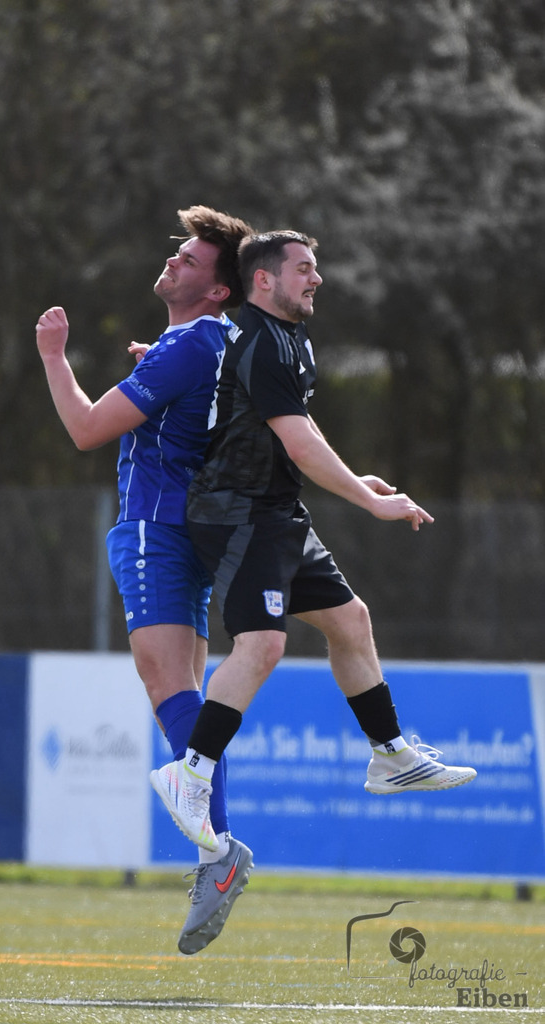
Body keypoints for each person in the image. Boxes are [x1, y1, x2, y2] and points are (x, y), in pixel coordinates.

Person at [151, 229, 477, 854]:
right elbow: (299, 443)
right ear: (265, 280)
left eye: (315, 267)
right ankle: (188, 773)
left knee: (351, 621)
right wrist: (370, 500)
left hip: (275, 513)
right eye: (304, 268)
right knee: (263, 643)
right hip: (235, 514)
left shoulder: (290, 339)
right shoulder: (261, 343)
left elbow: (300, 431)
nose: (317, 278)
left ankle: (390, 755)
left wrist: (355, 478)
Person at [35, 207, 255, 955]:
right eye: (178, 253)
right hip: (197, 531)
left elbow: (86, 429)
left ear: (219, 290)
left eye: (191, 261)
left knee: (168, 689)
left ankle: (219, 851)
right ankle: (212, 855)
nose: (174, 264)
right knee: (189, 698)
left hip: (153, 530)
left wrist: (53, 355)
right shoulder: (222, 340)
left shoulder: (191, 342)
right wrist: (158, 358)